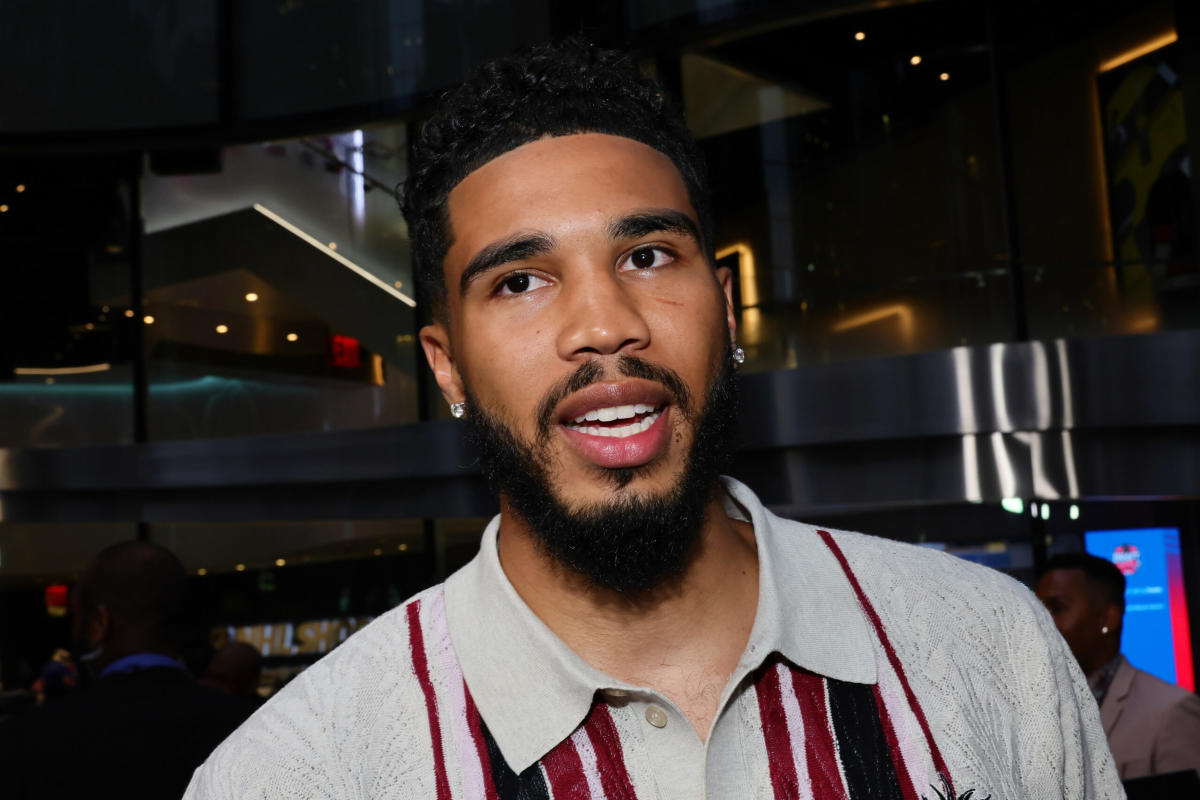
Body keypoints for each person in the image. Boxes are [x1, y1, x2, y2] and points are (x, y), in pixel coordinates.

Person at [185, 40, 1121, 799]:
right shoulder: (293, 774)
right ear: (446, 365)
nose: (605, 326)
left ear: (723, 305)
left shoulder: (992, 647)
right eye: (520, 281)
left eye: (646, 256)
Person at [0, 541, 255, 799]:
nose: (75, 631)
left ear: (99, 624)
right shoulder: (248, 731)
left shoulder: (28, 740)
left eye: (78, 619)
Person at [1036, 552, 1200, 780]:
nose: (1041, 622)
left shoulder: (1170, 711)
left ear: (1107, 619)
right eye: (1038, 611)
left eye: (1057, 608)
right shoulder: (1036, 706)